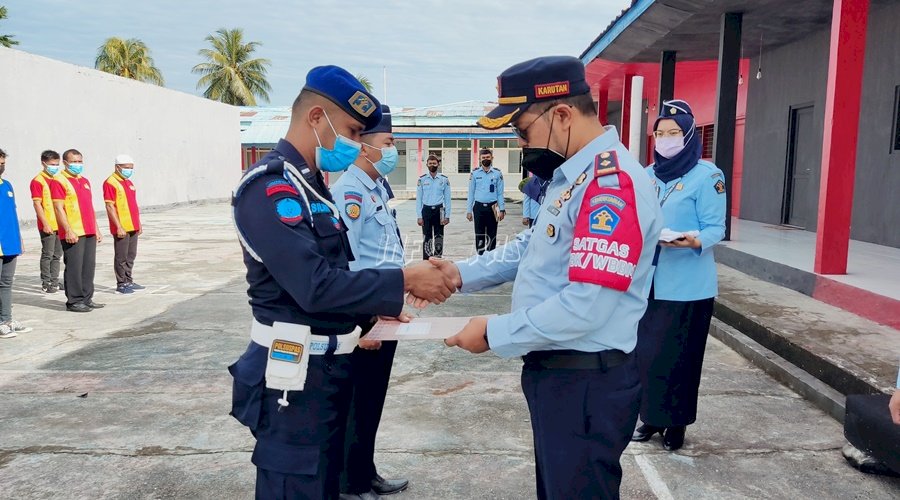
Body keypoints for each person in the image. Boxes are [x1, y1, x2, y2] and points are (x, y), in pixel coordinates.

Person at [433, 56, 663, 500]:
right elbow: (533, 249)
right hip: (559, 375)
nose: (521, 144)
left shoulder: (610, 187)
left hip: (585, 382)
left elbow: (587, 305)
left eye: (522, 131)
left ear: (561, 115)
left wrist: (494, 332)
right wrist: (459, 272)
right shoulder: (572, 175)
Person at [228, 65, 455, 500]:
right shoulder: (270, 189)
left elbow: (339, 275)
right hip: (291, 379)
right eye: (351, 130)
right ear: (316, 118)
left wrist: (370, 316)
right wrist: (405, 277)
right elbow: (313, 285)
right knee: (296, 487)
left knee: (326, 485)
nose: (353, 142)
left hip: (328, 371)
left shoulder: (312, 189)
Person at [630, 99, 726, 452]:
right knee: (648, 355)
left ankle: (677, 424)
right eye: (660, 133)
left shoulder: (708, 175)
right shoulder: (646, 174)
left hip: (688, 286)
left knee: (681, 358)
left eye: (673, 133)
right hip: (649, 283)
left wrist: (691, 240)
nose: (666, 139)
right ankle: (651, 417)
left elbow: (717, 228)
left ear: (688, 135)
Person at [331, 104, 410, 500]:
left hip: (385, 308)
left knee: (373, 398)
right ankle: (350, 481)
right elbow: (350, 260)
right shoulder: (348, 192)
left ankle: (367, 470)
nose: (394, 150)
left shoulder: (376, 188)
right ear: (364, 148)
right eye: (388, 143)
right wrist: (364, 318)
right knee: (357, 400)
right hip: (366, 314)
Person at [51, 149, 104, 313]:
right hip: (73, 231)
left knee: (88, 266)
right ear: (65, 163)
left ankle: (87, 298)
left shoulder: (84, 180)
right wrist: (67, 229)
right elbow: (58, 208)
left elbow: (89, 207)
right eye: (74, 162)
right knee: (74, 266)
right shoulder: (59, 180)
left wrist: (96, 229)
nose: (78, 165)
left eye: (80, 161)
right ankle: (74, 301)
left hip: (88, 230)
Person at [0, 148, 33, 338]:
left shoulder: (7, 185)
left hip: (10, 242)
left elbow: (12, 213)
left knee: (6, 283)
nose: (1, 167)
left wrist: (18, 238)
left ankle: (7, 319)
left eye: (3, 163)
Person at [103, 154, 144, 294]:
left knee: (131, 254)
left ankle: (128, 279)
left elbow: (133, 205)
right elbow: (110, 206)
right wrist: (118, 226)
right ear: (117, 167)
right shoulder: (111, 182)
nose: (129, 170)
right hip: (121, 226)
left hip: (133, 224)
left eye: (131, 168)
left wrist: (138, 223)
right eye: (126, 168)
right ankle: (121, 283)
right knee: (121, 256)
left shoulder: (128, 182)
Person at [30, 150, 64, 294]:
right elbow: (37, 204)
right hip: (48, 223)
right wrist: (45, 223)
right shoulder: (38, 181)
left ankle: (55, 281)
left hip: (60, 223)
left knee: (57, 254)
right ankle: (46, 281)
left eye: (57, 164)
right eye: (52, 164)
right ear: (44, 163)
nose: (55, 167)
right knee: (48, 254)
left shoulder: (58, 178)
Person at [466, 148, 505, 254]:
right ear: (479, 159)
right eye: (483, 157)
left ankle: (491, 258)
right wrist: (469, 210)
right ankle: (480, 257)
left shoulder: (497, 173)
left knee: (492, 234)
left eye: (488, 157)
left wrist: (502, 209)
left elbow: (500, 193)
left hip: (494, 207)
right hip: (478, 208)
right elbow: (471, 193)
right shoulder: (475, 173)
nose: (485, 159)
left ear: (492, 158)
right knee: (479, 234)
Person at [416, 155, 451, 259]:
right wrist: (419, 215)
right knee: (427, 237)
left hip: (440, 210)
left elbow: (448, 199)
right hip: (426, 210)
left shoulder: (444, 180)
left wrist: (447, 215)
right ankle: (426, 260)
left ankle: (438, 258)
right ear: (427, 165)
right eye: (430, 163)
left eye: (434, 163)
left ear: (438, 164)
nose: (432, 165)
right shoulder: (422, 180)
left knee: (439, 236)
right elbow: (419, 199)